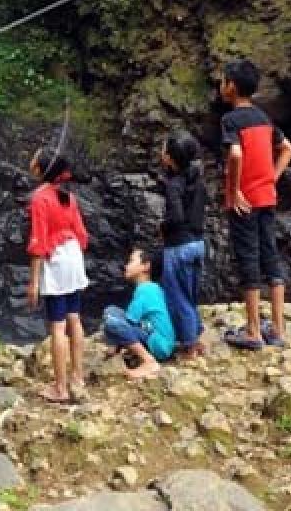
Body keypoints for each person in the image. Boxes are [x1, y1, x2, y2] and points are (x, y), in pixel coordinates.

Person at [218, 59, 291, 350]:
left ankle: (253, 331)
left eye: (223, 81)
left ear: (231, 86)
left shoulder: (231, 120)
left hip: (245, 202)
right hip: (266, 197)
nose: (221, 86)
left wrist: (234, 190)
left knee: (248, 260)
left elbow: (235, 154)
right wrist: (271, 178)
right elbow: (288, 149)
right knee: (270, 256)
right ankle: (278, 329)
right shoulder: (264, 118)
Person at [26, 147, 89, 403]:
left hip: (57, 260)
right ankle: (78, 377)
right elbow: (81, 232)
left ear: (40, 168)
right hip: (74, 255)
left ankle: (60, 389)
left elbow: (38, 242)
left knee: (58, 325)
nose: (30, 159)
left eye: (34, 157)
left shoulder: (39, 198)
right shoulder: (68, 196)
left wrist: (34, 283)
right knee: (74, 317)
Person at [159, 131, 207, 358]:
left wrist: (163, 226)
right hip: (198, 243)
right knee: (191, 295)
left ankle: (189, 345)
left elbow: (176, 217)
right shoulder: (197, 179)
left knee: (178, 297)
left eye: (163, 150)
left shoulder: (174, 184)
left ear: (170, 158)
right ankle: (196, 336)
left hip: (179, 246)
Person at [102, 246, 175, 379]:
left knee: (112, 324)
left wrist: (114, 333)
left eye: (131, 261)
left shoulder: (145, 290)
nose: (126, 266)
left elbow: (130, 320)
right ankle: (117, 350)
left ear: (146, 266)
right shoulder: (152, 287)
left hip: (159, 344)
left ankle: (149, 362)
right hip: (156, 337)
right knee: (111, 311)